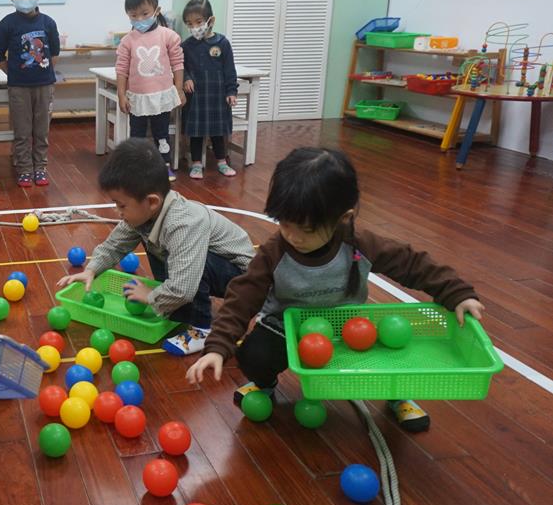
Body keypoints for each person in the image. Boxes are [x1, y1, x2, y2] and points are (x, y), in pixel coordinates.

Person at [186, 147, 486, 432]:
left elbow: (411, 263)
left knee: (388, 349)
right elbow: (242, 297)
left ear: (343, 217)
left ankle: (397, 394)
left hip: (348, 329)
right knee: (254, 355)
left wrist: (456, 292)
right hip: (286, 327)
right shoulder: (274, 253)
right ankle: (265, 384)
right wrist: (218, 347)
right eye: (285, 224)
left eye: (306, 230)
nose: (293, 237)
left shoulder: (359, 244)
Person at [56, 139, 255, 356]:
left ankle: (201, 329)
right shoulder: (145, 214)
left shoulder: (183, 224)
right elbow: (115, 244)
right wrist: (92, 269)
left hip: (243, 277)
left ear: (152, 202)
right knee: (156, 243)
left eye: (122, 205)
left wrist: (151, 296)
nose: (117, 211)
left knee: (186, 260)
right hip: (206, 270)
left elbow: (184, 286)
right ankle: (177, 308)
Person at [0, 0, 60, 188]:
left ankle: (40, 167)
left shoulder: (48, 23)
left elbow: (55, 53)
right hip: (18, 87)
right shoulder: (6, 24)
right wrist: (13, 73)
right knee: (22, 131)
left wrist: (45, 72)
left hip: (45, 86)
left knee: (42, 130)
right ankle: (24, 169)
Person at [115, 0, 184, 182]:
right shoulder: (127, 41)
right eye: (133, 15)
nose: (139, 19)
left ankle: (164, 166)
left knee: (161, 133)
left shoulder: (168, 36)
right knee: (136, 135)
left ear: (156, 10)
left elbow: (178, 63)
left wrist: (179, 89)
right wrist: (121, 94)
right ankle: (136, 168)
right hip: (137, 98)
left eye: (144, 14)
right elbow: (121, 69)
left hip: (162, 96)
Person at [181, 0, 239, 179]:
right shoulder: (186, 46)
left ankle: (222, 162)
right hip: (196, 97)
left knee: (218, 131)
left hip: (217, 96)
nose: (194, 27)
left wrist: (231, 91)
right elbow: (180, 67)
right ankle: (196, 164)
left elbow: (230, 70)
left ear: (210, 20)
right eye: (189, 24)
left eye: (198, 22)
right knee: (196, 133)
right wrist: (186, 78)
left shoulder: (222, 43)